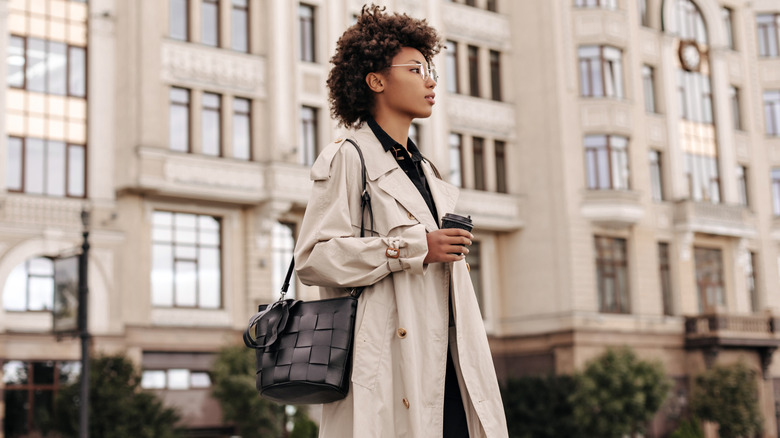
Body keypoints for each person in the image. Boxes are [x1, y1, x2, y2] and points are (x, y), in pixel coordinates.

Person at [294, 5, 509, 438]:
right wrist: (414, 249)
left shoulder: (428, 171)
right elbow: (314, 258)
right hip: (391, 369)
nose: (430, 81)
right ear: (376, 80)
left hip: (450, 362)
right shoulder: (347, 157)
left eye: (429, 69)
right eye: (415, 69)